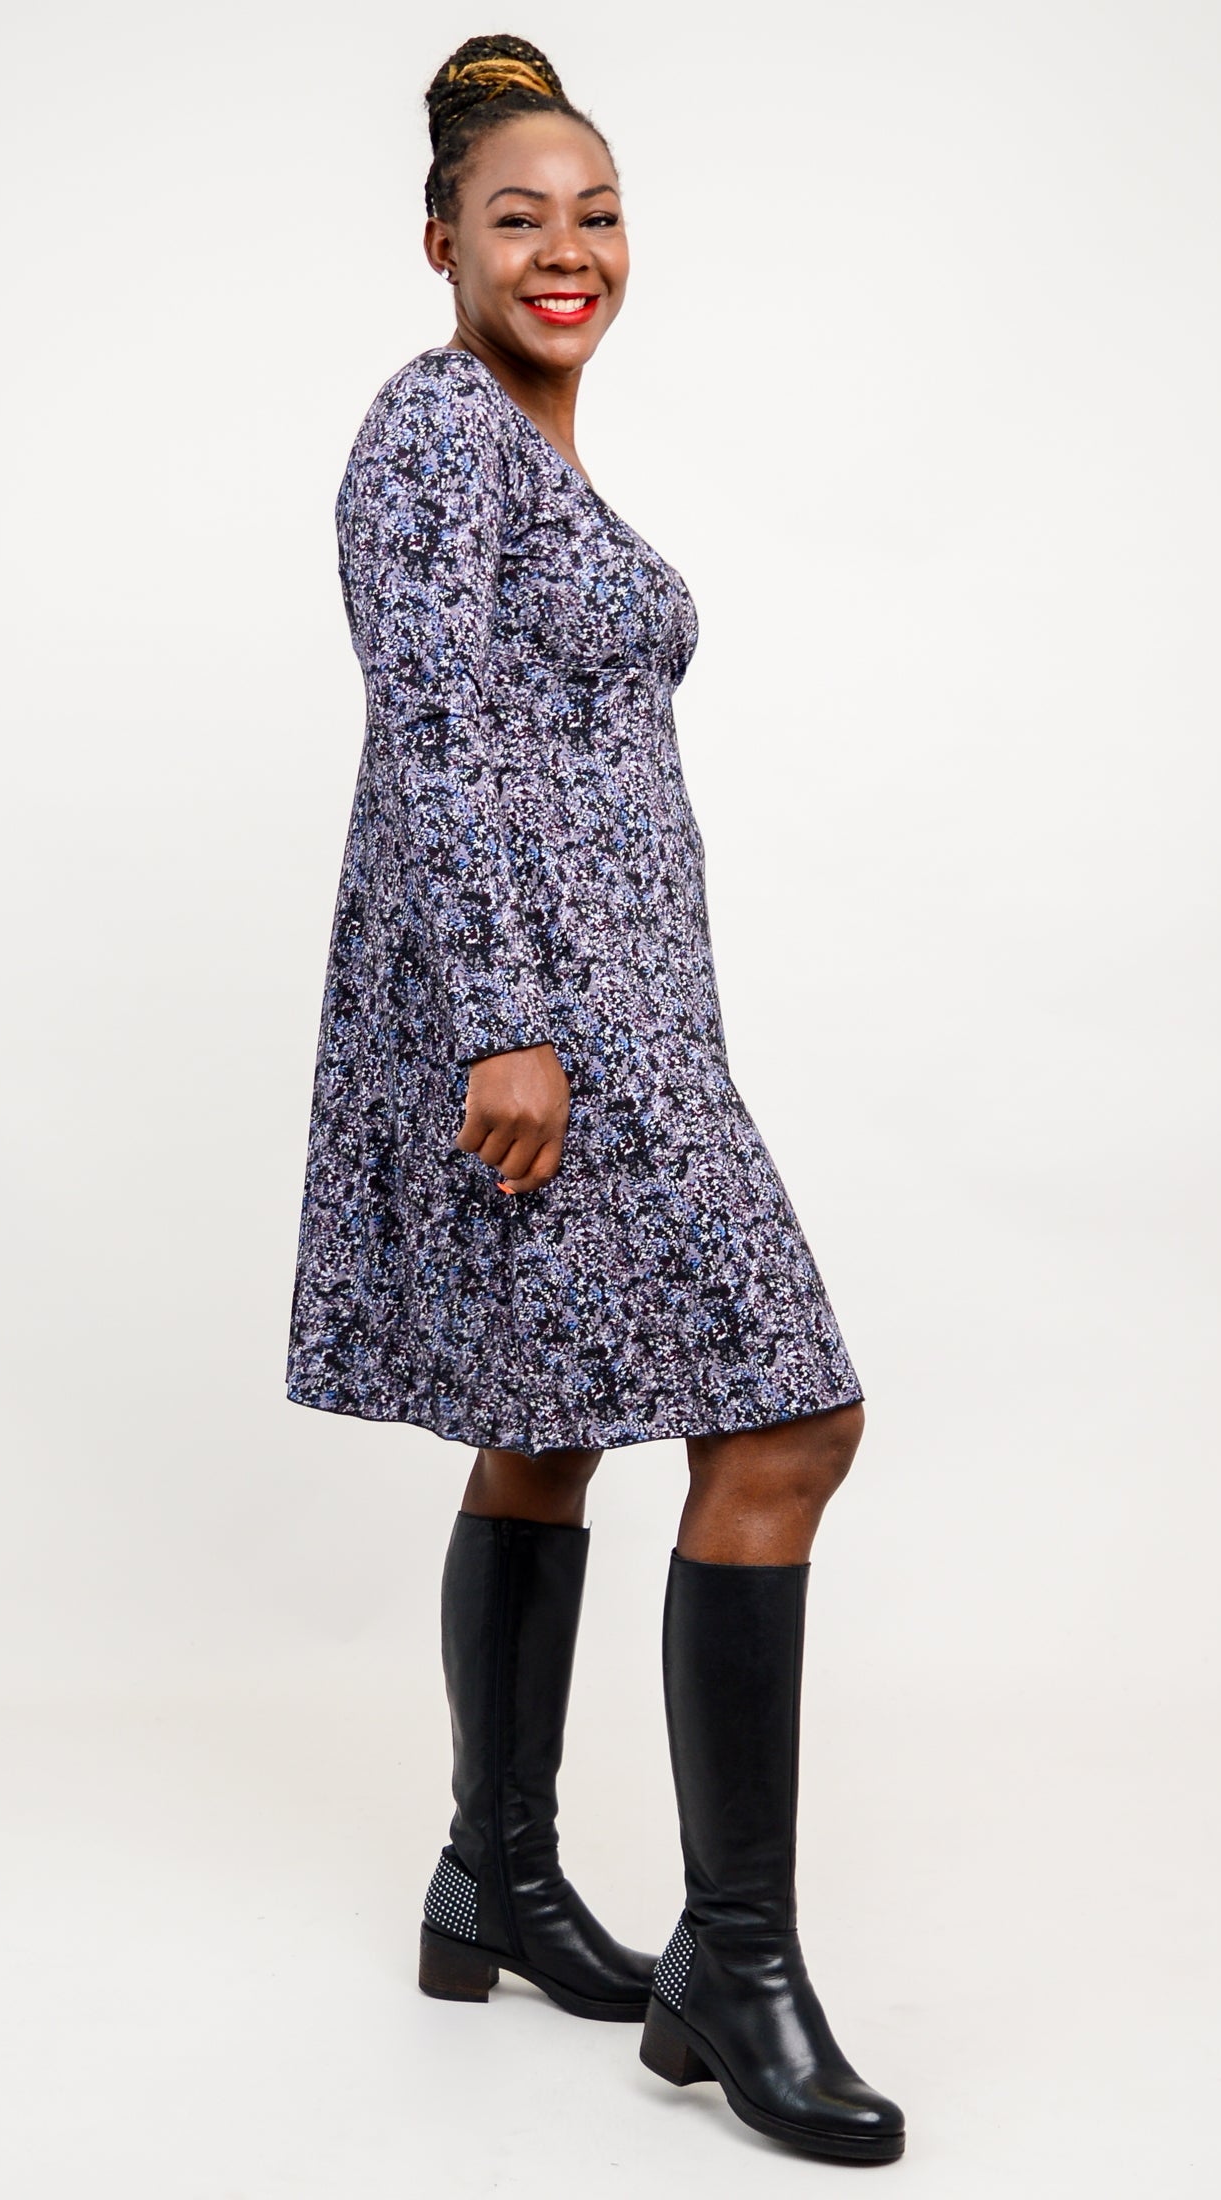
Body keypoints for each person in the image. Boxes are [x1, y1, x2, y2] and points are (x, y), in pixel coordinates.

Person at [286, 32, 907, 2166]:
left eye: (601, 213)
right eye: (520, 215)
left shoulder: (532, 448)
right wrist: (505, 1020)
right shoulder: (433, 429)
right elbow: (433, 724)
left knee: (545, 1422)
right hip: (547, 1022)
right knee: (790, 1419)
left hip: (627, 1016)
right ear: (440, 241)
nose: (568, 249)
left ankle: (495, 1876)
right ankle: (738, 1962)